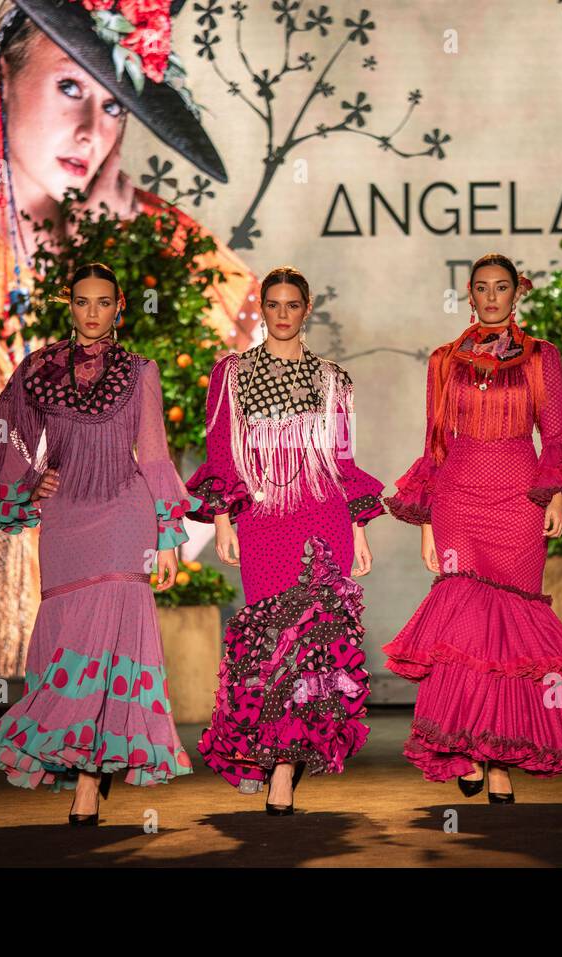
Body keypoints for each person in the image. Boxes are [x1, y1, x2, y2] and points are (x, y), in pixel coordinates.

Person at [0, 0, 257, 681]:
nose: (92, 131)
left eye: (116, 105)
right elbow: (14, 450)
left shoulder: (180, 258)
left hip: (114, 614)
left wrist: (175, 531)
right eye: (70, 86)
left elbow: (238, 412)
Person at [0, 262, 199, 826]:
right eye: (81, 301)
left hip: (125, 514)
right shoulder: (39, 369)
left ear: (120, 306)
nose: (92, 312)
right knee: (71, 640)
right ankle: (79, 760)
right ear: (69, 305)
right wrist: (32, 478)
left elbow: (155, 454)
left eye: (102, 302)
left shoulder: (141, 371)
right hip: (67, 519)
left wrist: (167, 534)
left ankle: (89, 786)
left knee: (114, 643)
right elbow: (7, 431)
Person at [382, 253, 562, 802]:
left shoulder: (541, 358)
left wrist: (555, 495)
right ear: (469, 293)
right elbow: (433, 444)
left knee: (509, 630)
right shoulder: (443, 360)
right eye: (481, 288)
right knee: (461, 627)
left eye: (501, 287)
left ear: (516, 294)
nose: (491, 297)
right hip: (457, 496)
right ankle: (463, 748)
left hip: (517, 496)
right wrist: (426, 524)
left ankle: (501, 758)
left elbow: (555, 437)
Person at [187, 266, 386, 815]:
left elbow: (343, 457)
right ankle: (264, 750)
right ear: (262, 309)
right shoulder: (232, 373)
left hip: (322, 517)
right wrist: (224, 519)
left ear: (307, 308)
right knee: (271, 640)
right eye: (272, 304)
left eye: (291, 304)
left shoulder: (333, 379)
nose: (281, 313)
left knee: (316, 641)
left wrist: (359, 528)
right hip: (262, 519)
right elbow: (222, 451)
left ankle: (282, 766)